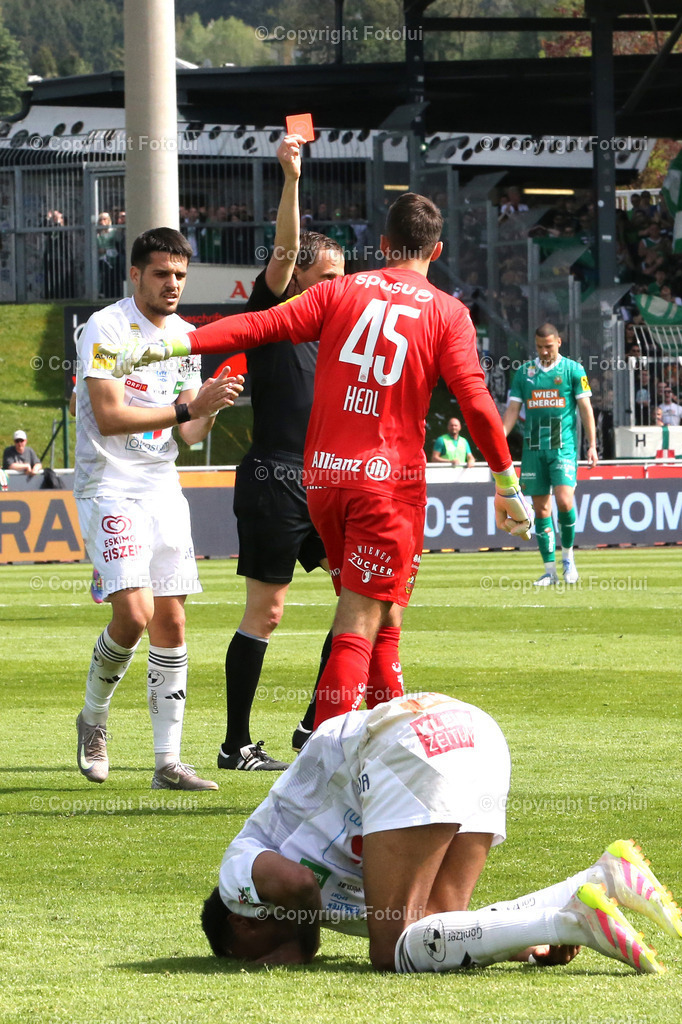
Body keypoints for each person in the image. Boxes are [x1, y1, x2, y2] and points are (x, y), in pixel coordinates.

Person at [102, 193, 533, 732]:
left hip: (324, 478)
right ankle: (326, 771)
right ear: (437, 250)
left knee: (384, 613)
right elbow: (474, 400)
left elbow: (256, 327)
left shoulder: (342, 290)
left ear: (381, 245)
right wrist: (505, 480)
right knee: (358, 621)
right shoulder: (448, 311)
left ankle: (387, 740)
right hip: (386, 481)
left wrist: (177, 343)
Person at [200, 692, 682, 974]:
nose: (248, 964)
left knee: (390, 951)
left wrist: (293, 949)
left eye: (240, 957)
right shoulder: (329, 908)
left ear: (241, 918)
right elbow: (442, 930)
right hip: (476, 733)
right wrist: (509, 941)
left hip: (407, 743)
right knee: (429, 931)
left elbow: (297, 885)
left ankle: (570, 920)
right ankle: (601, 880)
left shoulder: (237, 868)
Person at [73, 227, 243, 791]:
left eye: (180, 275)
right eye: (162, 274)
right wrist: (184, 406)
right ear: (136, 275)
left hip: (162, 487)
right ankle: (94, 716)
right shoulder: (106, 327)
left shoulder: (189, 336)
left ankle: (167, 763)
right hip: (109, 486)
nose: (173, 284)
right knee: (135, 615)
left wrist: (211, 404)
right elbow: (110, 416)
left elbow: (190, 433)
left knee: (172, 619)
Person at [218, 134, 345, 772]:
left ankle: (310, 728)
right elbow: (287, 249)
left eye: (342, 281)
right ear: (298, 280)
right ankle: (236, 744)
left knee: (365, 597)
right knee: (265, 614)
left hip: (326, 483)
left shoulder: (338, 339)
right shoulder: (277, 311)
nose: (337, 291)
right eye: (327, 279)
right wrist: (292, 179)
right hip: (273, 482)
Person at [503, 323, 598, 587]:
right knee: (542, 508)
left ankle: (568, 558)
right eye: (539, 347)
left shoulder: (573, 370)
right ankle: (550, 571)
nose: (544, 351)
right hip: (533, 449)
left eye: (549, 346)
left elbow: (586, 409)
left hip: (563, 447)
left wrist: (592, 444)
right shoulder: (524, 373)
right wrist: (499, 440)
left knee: (565, 501)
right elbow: (512, 411)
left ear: (559, 342)